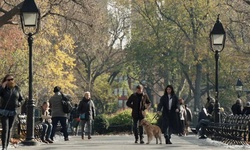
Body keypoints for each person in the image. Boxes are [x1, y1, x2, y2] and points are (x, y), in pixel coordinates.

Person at [0, 74, 24, 150]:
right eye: (8, 80)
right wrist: (2, 87)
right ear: (5, 81)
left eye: (12, 79)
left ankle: (6, 145)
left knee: (10, 128)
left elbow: (21, 99)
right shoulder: (3, 88)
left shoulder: (17, 88)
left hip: (13, 111)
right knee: (5, 128)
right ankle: (4, 146)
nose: (10, 81)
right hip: (4, 111)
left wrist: (18, 104)